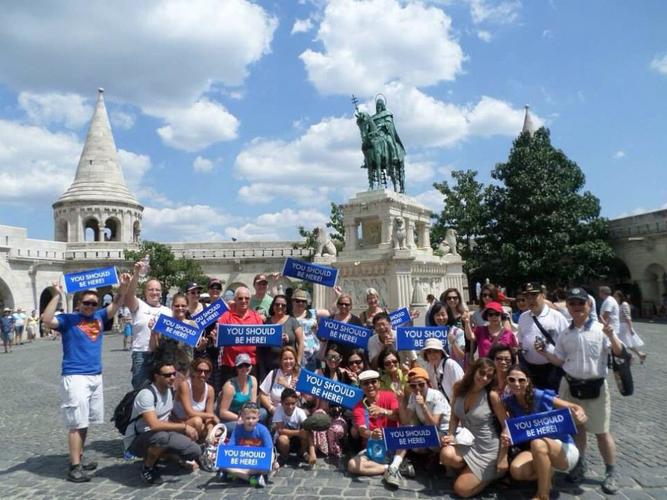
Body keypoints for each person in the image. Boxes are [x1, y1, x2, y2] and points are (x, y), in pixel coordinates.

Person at [536, 287, 624, 495]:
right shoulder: (566, 334)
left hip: (595, 386)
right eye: (572, 303)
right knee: (578, 429)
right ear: (568, 306)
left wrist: (611, 336)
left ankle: (611, 471)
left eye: (580, 303)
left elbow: (620, 352)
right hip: (571, 386)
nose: (576, 307)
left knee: (602, 432)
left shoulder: (601, 330)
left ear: (589, 305)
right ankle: (579, 465)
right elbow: (559, 360)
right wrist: (545, 353)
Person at [42, 276, 129, 482]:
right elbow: (46, 319)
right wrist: (56, 294)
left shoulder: (99, 316)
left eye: (93, 303)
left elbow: (116, 303)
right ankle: (74, 467)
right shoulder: (68, 320)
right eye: (86, 303)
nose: (90, 306)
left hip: (95, 377)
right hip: (75, 376)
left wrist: (124, 285)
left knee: (85, 421)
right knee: (76, 422)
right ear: (79, 303)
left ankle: (78, 458)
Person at [501, 364, 587, 500]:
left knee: (537, 443)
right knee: (517, 471)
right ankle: (548, 474)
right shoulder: (509, 402)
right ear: (507, 380)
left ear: (528, 381)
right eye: (512, 380)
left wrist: (580, 413)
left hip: (563, 448)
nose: (516, 384)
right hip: (538, 449)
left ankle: (543, 494)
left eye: (521, 380)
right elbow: (509, 425)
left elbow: (574, 407)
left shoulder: (539, 395)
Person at [123, 358, 203, 485]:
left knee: (195, 451)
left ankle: (164, 455)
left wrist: (188, 426)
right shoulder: (147, 394)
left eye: (173, 374)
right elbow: (154, 425)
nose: (172, 377)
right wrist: (184, 427)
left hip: (162, 433)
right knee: (162, 438)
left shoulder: (169, 390)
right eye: (167, 375)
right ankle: (148, 468)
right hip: (138, 440)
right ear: (156, 376)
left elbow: (168, 416)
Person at [440, 358, 508, 498]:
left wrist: (503, 456)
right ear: (474, 370)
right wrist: (451, 434)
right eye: (481, 373)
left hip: (488, 449)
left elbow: (507, 427)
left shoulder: (492, 396)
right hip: (469, 442)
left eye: (489, 376)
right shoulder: (458, 388)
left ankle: (493, 474)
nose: (484, 378)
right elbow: (454, 416)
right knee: (446, 454)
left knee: (461, 490)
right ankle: (470, 472)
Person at [347, 370, 413, 488]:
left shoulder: (389, 396)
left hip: (393, 444)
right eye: (366, 383)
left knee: (405, 430)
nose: (370, 385)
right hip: (374, 449)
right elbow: (362, 430)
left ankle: (394, 464)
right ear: (361, 386)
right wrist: (372, 434)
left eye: (373, 382)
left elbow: (401, 418)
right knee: (352, 465)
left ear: (379, 383)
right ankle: (393, 468)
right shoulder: (359, 407)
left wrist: (383, 411)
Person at [125, 260, 172, 389]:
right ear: (145, 292)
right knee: (141, 389)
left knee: (162, 390)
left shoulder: (168, 312)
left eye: (157, 290)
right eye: (151, 289)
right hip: (142, 354)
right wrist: (136, 274)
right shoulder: (139, 305)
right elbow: (129, 295)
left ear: (161, 292)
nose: (154, 292)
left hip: (161, 355)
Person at [516, 282, 569, 390]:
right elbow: (521, 341)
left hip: (551, 370)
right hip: (529, 369)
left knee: (552, 403)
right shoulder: (523, 317)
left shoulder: (557, 317)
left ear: (543, 295)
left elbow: (567, 344)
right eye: (527, 296)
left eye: (534, 295)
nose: (530, 300)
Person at [311, 343, 352, 460]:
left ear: (341, 359)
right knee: (317, 420)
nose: (332, 360)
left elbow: (352, 395)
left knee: (336, 430)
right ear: (325, 358)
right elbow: (310, 394)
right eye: (329, 357)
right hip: (321, 410)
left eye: (335, 357)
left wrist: (354, 381)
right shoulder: (318, 373)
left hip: (339, 413)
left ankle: (334, 448)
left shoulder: (345, 374)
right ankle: (323, 449)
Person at [221, 402, 276, 488]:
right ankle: (251, 479)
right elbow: (230, 447)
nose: (250, 421)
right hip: (242, 461)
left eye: (253, 418)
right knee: (222, 462)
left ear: (258, 418)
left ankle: (239, 475)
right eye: (247, 418)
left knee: (270, 463)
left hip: (257, 463)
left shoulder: (262, 430)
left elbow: (269, 449)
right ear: (242, 418)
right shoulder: (238, 429)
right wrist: (242, 449)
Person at [217, 286, 263, 384]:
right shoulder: (226, 316)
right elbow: (218, 333)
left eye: (246, 298)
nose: (243, 301)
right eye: (240, 298)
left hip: (251, 365)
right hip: (230, 365)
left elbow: (263, 338)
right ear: (235, 300)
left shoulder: (256, 317)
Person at [258, 294, 304, 382]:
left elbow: (301, 343)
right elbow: (261, 345)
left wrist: (298, 362)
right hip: (270, 367)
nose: (280, 307)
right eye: (277, 304)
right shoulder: (266, 322)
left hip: (289, 366)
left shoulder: (293, 321)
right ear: (273, 306)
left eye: (283, 305)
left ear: (287, 307)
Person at [172, 357, 219, 441]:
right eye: (199, 370)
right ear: (193, 371)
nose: (203, 374)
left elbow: (209, 416)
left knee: (213, 430)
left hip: (196, 424)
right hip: (179, 423)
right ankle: (191, 447)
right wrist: (212, 415)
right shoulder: (185, 385)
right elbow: (189, 412)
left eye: (206, 372)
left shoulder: (210, 390)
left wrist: (210, 430)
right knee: (197, 421)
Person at [218, 353, 262, 434]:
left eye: (247, 365)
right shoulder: (230, 386)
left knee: (263, 413)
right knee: (245, 427)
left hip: (246, 415)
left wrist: (250, 418)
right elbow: (223, 412)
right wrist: (242, 418)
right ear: (236, 368)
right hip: (230, 418)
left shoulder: (253, 380)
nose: (244, 368)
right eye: (240, 366)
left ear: (251, 367)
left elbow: (253, 405)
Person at [290, 288, 331, 370]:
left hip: (311, 350)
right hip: (294, 352)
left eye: (303, 301)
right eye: (297, 301)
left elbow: (330, 312)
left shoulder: (312, 313)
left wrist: (338, 295)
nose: (300, 303)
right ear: (292, 301)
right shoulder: (288, 315)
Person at [273, 388, 313, 466]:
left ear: (296, 402)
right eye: (287, 404)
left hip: (297, 441)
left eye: (293, 403)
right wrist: (298, 433)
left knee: (306, 432)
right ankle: (284, 456)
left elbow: (309, 431)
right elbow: (280, 430)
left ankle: (302, 453)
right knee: (283, 439)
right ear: (281, 403)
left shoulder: (300, 412)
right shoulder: (278, 410)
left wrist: (312, 452)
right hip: (284, 442)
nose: (290, 407)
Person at [405, 366, 451, 434]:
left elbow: (433, 426)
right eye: (413, 386)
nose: (417, 388)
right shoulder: (413, 396)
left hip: (444, 430)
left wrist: (423, 406)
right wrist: (400, 401)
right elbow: (406, 420)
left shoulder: (436, 396)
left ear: (428, 383)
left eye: (421, 384)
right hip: (427, 430)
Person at [259, 346, 301, 418]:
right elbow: (262, 395)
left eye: (291, 359)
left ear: (295, 360)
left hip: (293, 413)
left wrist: (286, 385)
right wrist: (271, 408)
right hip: (275, 412)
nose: (288, 361)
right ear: (281, 361)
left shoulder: (300, 376)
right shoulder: (273, 374)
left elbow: (298, 397)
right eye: (285, 359)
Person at [421, 338, 464, 402]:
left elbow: (461, 389)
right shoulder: (429, 367)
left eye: (435, 351)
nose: (432, 355)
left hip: (457, 404)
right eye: (429, 352)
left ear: (441, 352)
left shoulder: (451, 365)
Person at [613, 290, 647, 362]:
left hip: (623, 325)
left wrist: (630, 328)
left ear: (619, 297)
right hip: (619, 325)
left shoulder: (624, 304)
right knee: (625, 342)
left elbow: (628, 317)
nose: (614, 297)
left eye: (615, 296)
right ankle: (639, 354)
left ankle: (630, 356)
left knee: (621, 342)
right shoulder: (617, 304)